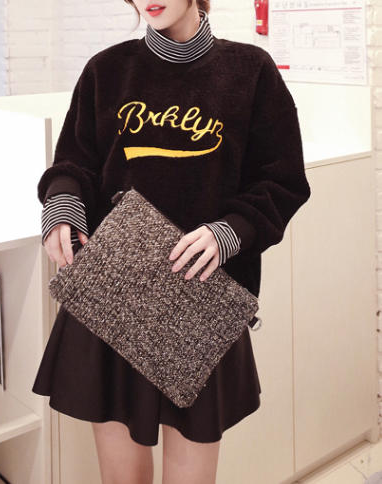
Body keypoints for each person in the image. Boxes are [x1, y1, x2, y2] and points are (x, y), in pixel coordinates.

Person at [32, 0, 311, 483]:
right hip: (114, 294)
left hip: (200, 300)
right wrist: (62, 205)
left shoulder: (250, 71)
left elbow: (282, 181)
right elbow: (75, 162)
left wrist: (230, 232)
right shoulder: (107, 70)